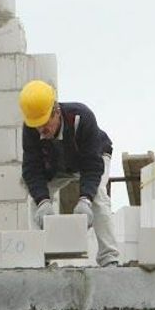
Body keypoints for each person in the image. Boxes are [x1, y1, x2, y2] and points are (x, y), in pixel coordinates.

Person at [18, 80, 120, 266]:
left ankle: (109, 258)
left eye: (45, 123)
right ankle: (41, 259)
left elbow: (93, 166)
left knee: (98, 195)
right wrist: (43, 201)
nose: (42, 130)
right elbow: (31, 169)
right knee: (34, 200)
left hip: (92, 157)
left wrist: (85, 199)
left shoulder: (82, 117)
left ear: (56, 112)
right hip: (58, 167)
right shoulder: (32, 128)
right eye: (37, 126)